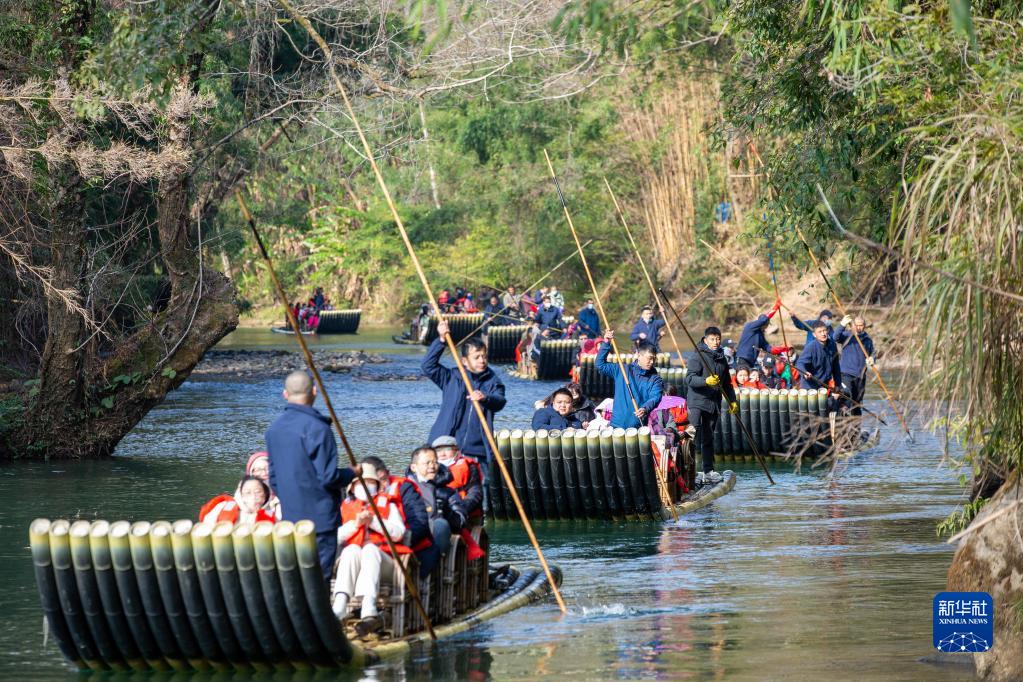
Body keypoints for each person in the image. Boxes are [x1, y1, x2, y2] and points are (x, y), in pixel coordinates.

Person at [265, 371, 358, 582]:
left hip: (291, 517)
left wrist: (290, 499)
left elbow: (274, 479)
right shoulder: (318, 427)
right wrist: (352, 473)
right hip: (321, 519)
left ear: (285, 394)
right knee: (318, 579)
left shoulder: (274, 429)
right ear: (314, 392)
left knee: (296, 578)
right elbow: (329, 477)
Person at [423, 319, 506, 487]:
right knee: (441, 491)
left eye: (484, 356)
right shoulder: (451, 377)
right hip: (445, 447)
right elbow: (428, 366)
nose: (482, 360)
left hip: (477, 451)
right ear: (465, 361)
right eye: (477, 357)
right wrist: (441, 340)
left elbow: (500, 402)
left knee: (477, 493)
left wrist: (485, 398)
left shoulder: (492, 381)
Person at [330, 462, 407, 633]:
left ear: (377, 485)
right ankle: (340, 604)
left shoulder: (389, 505)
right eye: (360, 482)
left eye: (370, 482)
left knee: (370, 550)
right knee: (351, 550)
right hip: (354, 561)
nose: (365, 485)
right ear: (352, 487)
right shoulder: (344, 507)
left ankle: (368, 604)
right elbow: (334, 537)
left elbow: (398, 533)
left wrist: (373, 522)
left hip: (384, 562)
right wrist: (355, 524)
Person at [684, 326, 738, 486]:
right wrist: (705, 381)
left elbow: (727, 384)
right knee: (692, 436)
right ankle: (690, 472)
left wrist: (732, 400)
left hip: (713, 403)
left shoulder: (722, 359)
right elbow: (690, 379)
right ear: (706, 339)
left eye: (718, 339)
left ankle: (708, 471)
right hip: (697, 402)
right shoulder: (697, 356)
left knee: (708, 438)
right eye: (712, 339)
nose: (716, 342)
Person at [406, 446, 466, 575]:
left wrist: (445, 511)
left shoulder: (447, 492)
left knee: (440, 524)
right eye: (427, 463)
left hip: (436, 536)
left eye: (434, 462)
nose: (432, 466)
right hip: (413, 532)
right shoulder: (405, 488)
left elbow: (461, 519)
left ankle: (431, 571)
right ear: (414, 467)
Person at [362, 456, 433, 561]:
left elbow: (420, 522)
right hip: (367, 545)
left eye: (383, 479)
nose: (380, 486)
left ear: (388, 473)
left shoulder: (404, 488)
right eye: (373, 482)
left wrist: (400, 540)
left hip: (404, 544)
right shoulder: (357, 493)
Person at [596, 331, 663, 429]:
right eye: (649, 358)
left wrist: (645, 408)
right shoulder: (622, 370)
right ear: (639, 355)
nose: (652, 362)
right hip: (616, 425)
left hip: (638, 427)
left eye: (654, 359)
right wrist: (606, 343)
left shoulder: (655, 379)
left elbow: (655, 397)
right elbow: (600, 365)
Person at [432, 436, 484, 518]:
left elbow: (475, 491)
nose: (442, 454)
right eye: (438, 450)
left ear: (456, 450)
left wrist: (462, 508)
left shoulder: (469, 466)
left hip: (464, 509)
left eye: (447, 449)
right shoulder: (429, 468)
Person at [834, 315, 875, 416]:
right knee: (847, 397)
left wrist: (872, 359)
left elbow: (872, 353)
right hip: (846, 373)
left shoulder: (867, 339)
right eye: (856, 325)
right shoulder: (846, 335)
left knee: (857, 403)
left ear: (864, 326)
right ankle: (844, 421)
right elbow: (835, 337)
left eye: (861, 325)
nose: (858, 327)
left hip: (860, 376)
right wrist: (842, 325)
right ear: (852, 325)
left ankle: (856, 424)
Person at [200, 475, 278, 525]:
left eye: (258, 492)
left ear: (265, 495)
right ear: (241, 495)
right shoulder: (224, 506)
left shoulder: (271, 513)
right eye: (248, 492)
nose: (253, 496)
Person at [796, 321, 842, 392]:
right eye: (819, 332)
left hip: (824, 385)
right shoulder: (811, 347)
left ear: (827, 331)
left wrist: (838, 384)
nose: (823, 334)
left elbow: (836, 366)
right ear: (814, 335)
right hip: (809, 387)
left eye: (824, 330)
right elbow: (800, 363)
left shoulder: (832, 345)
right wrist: (804, 372)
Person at [736, 299, 782, 369]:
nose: (767, 326)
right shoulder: (750, 326)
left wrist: (783, 349)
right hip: (742, 359)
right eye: (766, 324)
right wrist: (775, 308)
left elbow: (768, 348)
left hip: (751, 362)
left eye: (767, 324)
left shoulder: (761, 335)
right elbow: (763, 320)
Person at [239, 451, 281, 520]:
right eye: (258, 470)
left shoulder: (283, 495)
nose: (264, 473)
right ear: (250, 472)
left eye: (267, 468)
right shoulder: (239, 499)